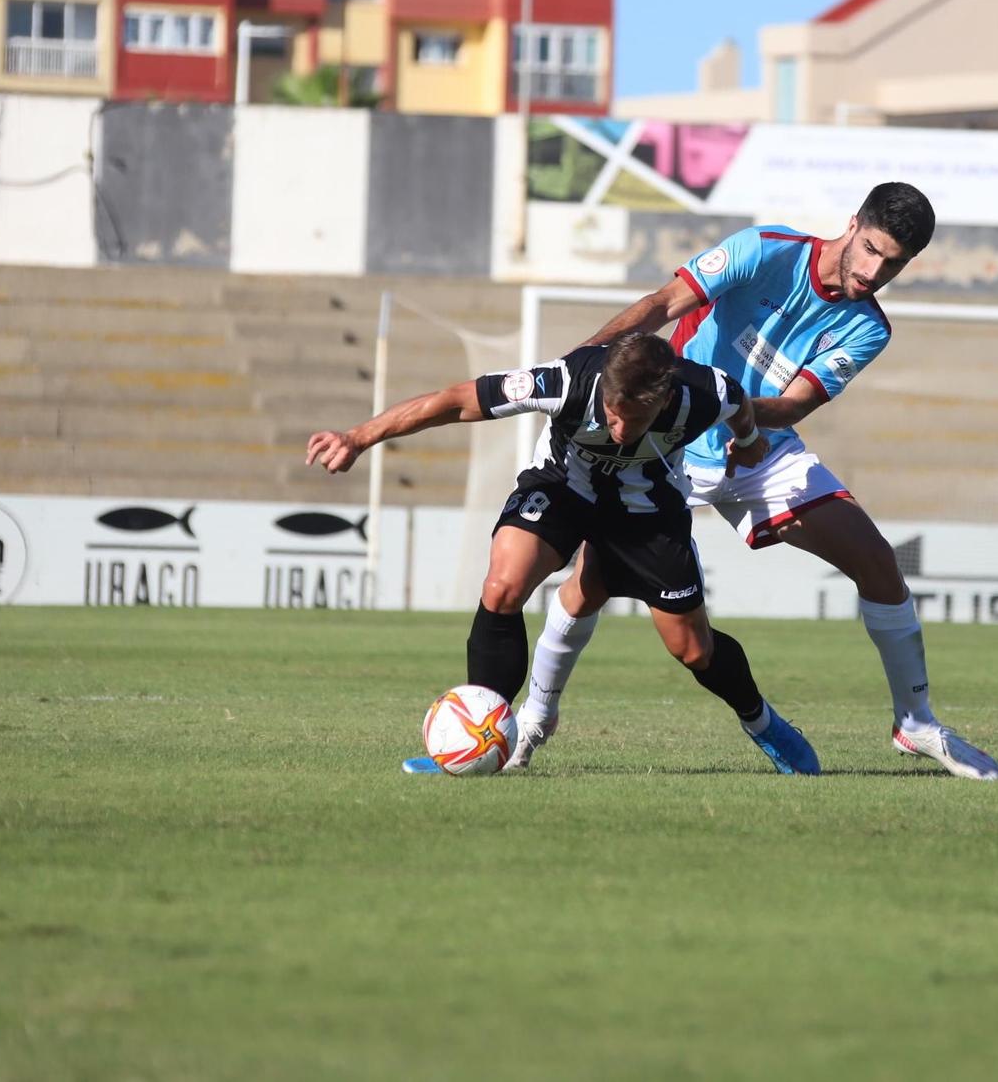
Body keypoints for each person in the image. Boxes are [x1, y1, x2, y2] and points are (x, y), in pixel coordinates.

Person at [506, 182, 998, 780]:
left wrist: (724, 412)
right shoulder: (764, 249)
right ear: (852, 224)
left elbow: (792, 406)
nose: (875, 271)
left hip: (757, 445)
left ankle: (916, 723)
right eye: (870, 249)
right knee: (590, 585)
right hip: (667, 446)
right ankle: (533, 724)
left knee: (876, 560)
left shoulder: (869, 328)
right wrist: (583, 360)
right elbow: (664, 305)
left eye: (894, 263)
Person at [304, 330, 820, 775]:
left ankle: (762, 722)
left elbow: (741, 410)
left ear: (663, 400)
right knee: (501, 586)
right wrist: (358, 436)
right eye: (613, 416)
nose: (618, 430)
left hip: (647, 511)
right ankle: (486, 734)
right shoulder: (568, 380)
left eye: (632, 420)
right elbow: (455, 400)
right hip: (562, 490)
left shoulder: (703, 390)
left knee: (693, 650)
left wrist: (749, 442)